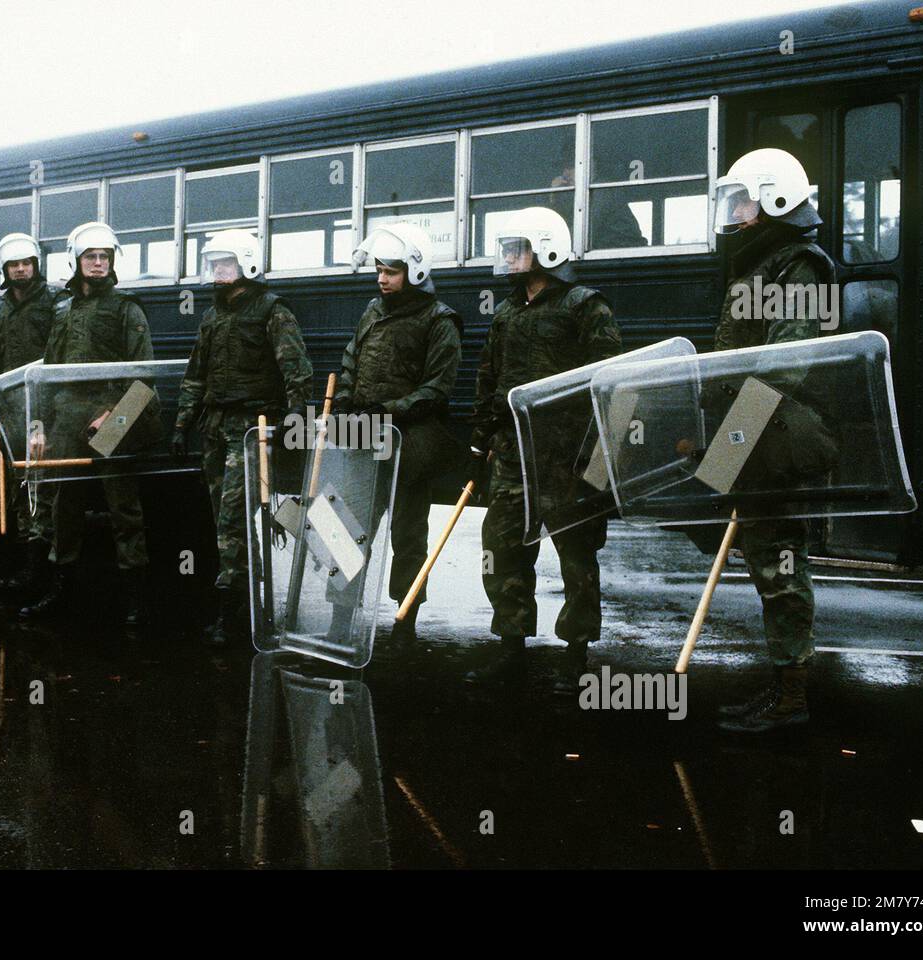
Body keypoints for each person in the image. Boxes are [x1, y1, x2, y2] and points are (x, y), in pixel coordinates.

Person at [709, 148, 835, 733]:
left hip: (775, 436)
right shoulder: (764, 263)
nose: (734, 211)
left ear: (775, 198)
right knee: (764, 556)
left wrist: (733, 438)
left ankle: (791, 701)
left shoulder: (798, 265)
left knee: (781, 564)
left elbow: (787, 363)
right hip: (755, 428)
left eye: (743, 199)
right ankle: (782, 689)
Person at [470, 208, 621, 687]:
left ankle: (576, 655)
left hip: (567, 455)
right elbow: (489, 375)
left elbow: (610, 379)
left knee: (575, 553)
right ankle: (511, 644)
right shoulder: (508, 312)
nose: (511, 257)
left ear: (547, 250)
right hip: (514, 453)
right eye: (509, 248)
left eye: (520, 248)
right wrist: (483, 436)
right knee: (502, 547)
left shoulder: (585, 306)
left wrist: (596, 450)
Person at [172, 229, 312, 646]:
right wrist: (182, 423)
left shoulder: (273, 311)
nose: (218, 271)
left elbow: (296, 369)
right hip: (215, 428)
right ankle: (248, 603)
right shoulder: (212, 317)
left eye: (226, 263)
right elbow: (195, 376)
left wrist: (294, 418)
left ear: (247, 264)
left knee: (233, 520)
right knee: (223, 521)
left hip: (252, 429)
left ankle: (229, 615)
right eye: (214, 264)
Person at [334, 222, 461, 644]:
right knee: (345, 529)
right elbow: (351, 362)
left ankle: (406, 620)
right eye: (379, 270)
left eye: (391, 271)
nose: (381, 278)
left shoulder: (439, 320)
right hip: (363, 440)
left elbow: (437, 388)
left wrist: (388, 411)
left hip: (410, 446)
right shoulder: (372, 312)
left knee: (408, 536)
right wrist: (347, 406)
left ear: (415, 271)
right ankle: (339, 617)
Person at [20, 221, 153, 623]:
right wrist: (38, 424)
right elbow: (47, 371)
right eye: (90, 256)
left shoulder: (127, 307)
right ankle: (61, 593)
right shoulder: (62, 308)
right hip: (66, 415)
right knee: (63, 507)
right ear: (76, 261)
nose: (97, 263)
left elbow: (142, 374)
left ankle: (137, 601)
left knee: (123, 507)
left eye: (104, 257)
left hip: (112, 415)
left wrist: (114, 414)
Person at [0, 232, 62, 595]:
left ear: (36, 264)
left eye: (26, 263)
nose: (20, 270)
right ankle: (21, 568)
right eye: (14, 265)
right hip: (11, 411)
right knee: (17, 488)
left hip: (45, 409)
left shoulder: (56, 302)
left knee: (42, 489)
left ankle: (41, 574)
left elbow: (63, 358)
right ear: (4, 269)